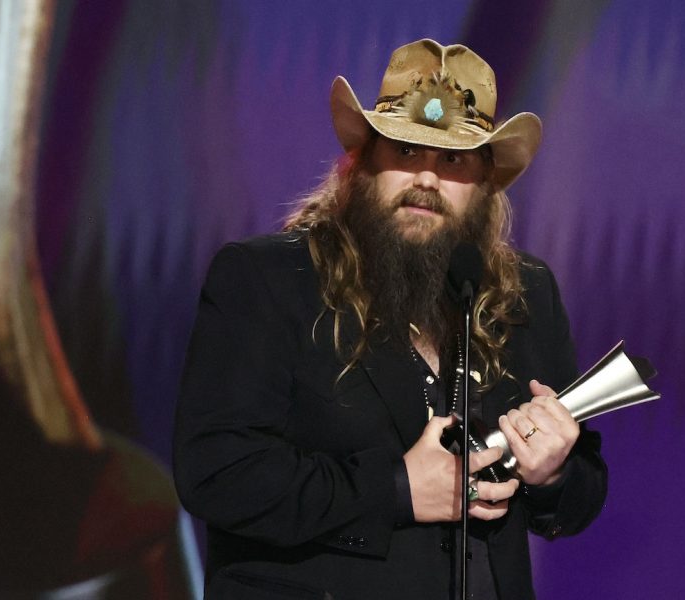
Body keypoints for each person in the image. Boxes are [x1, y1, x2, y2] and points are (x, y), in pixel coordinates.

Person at [173, 39, 607, 600]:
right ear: (363, 164)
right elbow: (216, 471)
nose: (426, 179)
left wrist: (553, 473)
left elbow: (582, 496)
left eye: (452, 160)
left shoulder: (523, 295)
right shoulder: (268, 280)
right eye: (406, 152)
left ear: (484, 184)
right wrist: (395, 489)